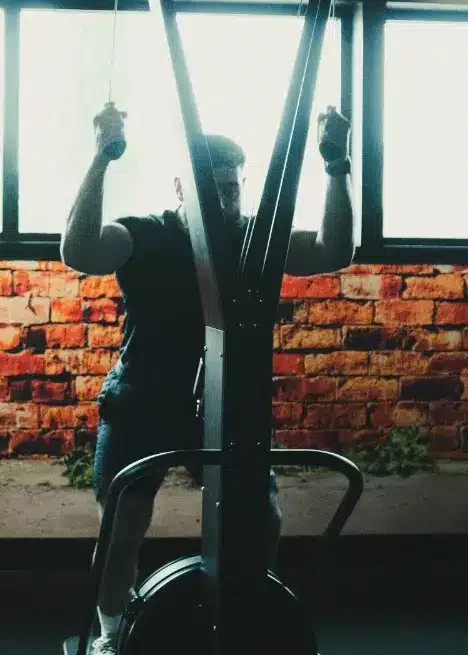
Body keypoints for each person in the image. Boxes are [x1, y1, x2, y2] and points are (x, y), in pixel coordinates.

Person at [60, 102, 355, 655]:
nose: (223, 202)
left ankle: (246, 620)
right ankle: (111, 636)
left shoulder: (253, 239)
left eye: (231, 190)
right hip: (143, 398)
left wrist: (336, 164)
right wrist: (101, 157)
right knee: (122, 525)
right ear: (181, 188)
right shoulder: (146, 235)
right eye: (210, 190)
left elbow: (333, 250)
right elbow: (80, 250)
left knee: (261, 519)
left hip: (225, 399)